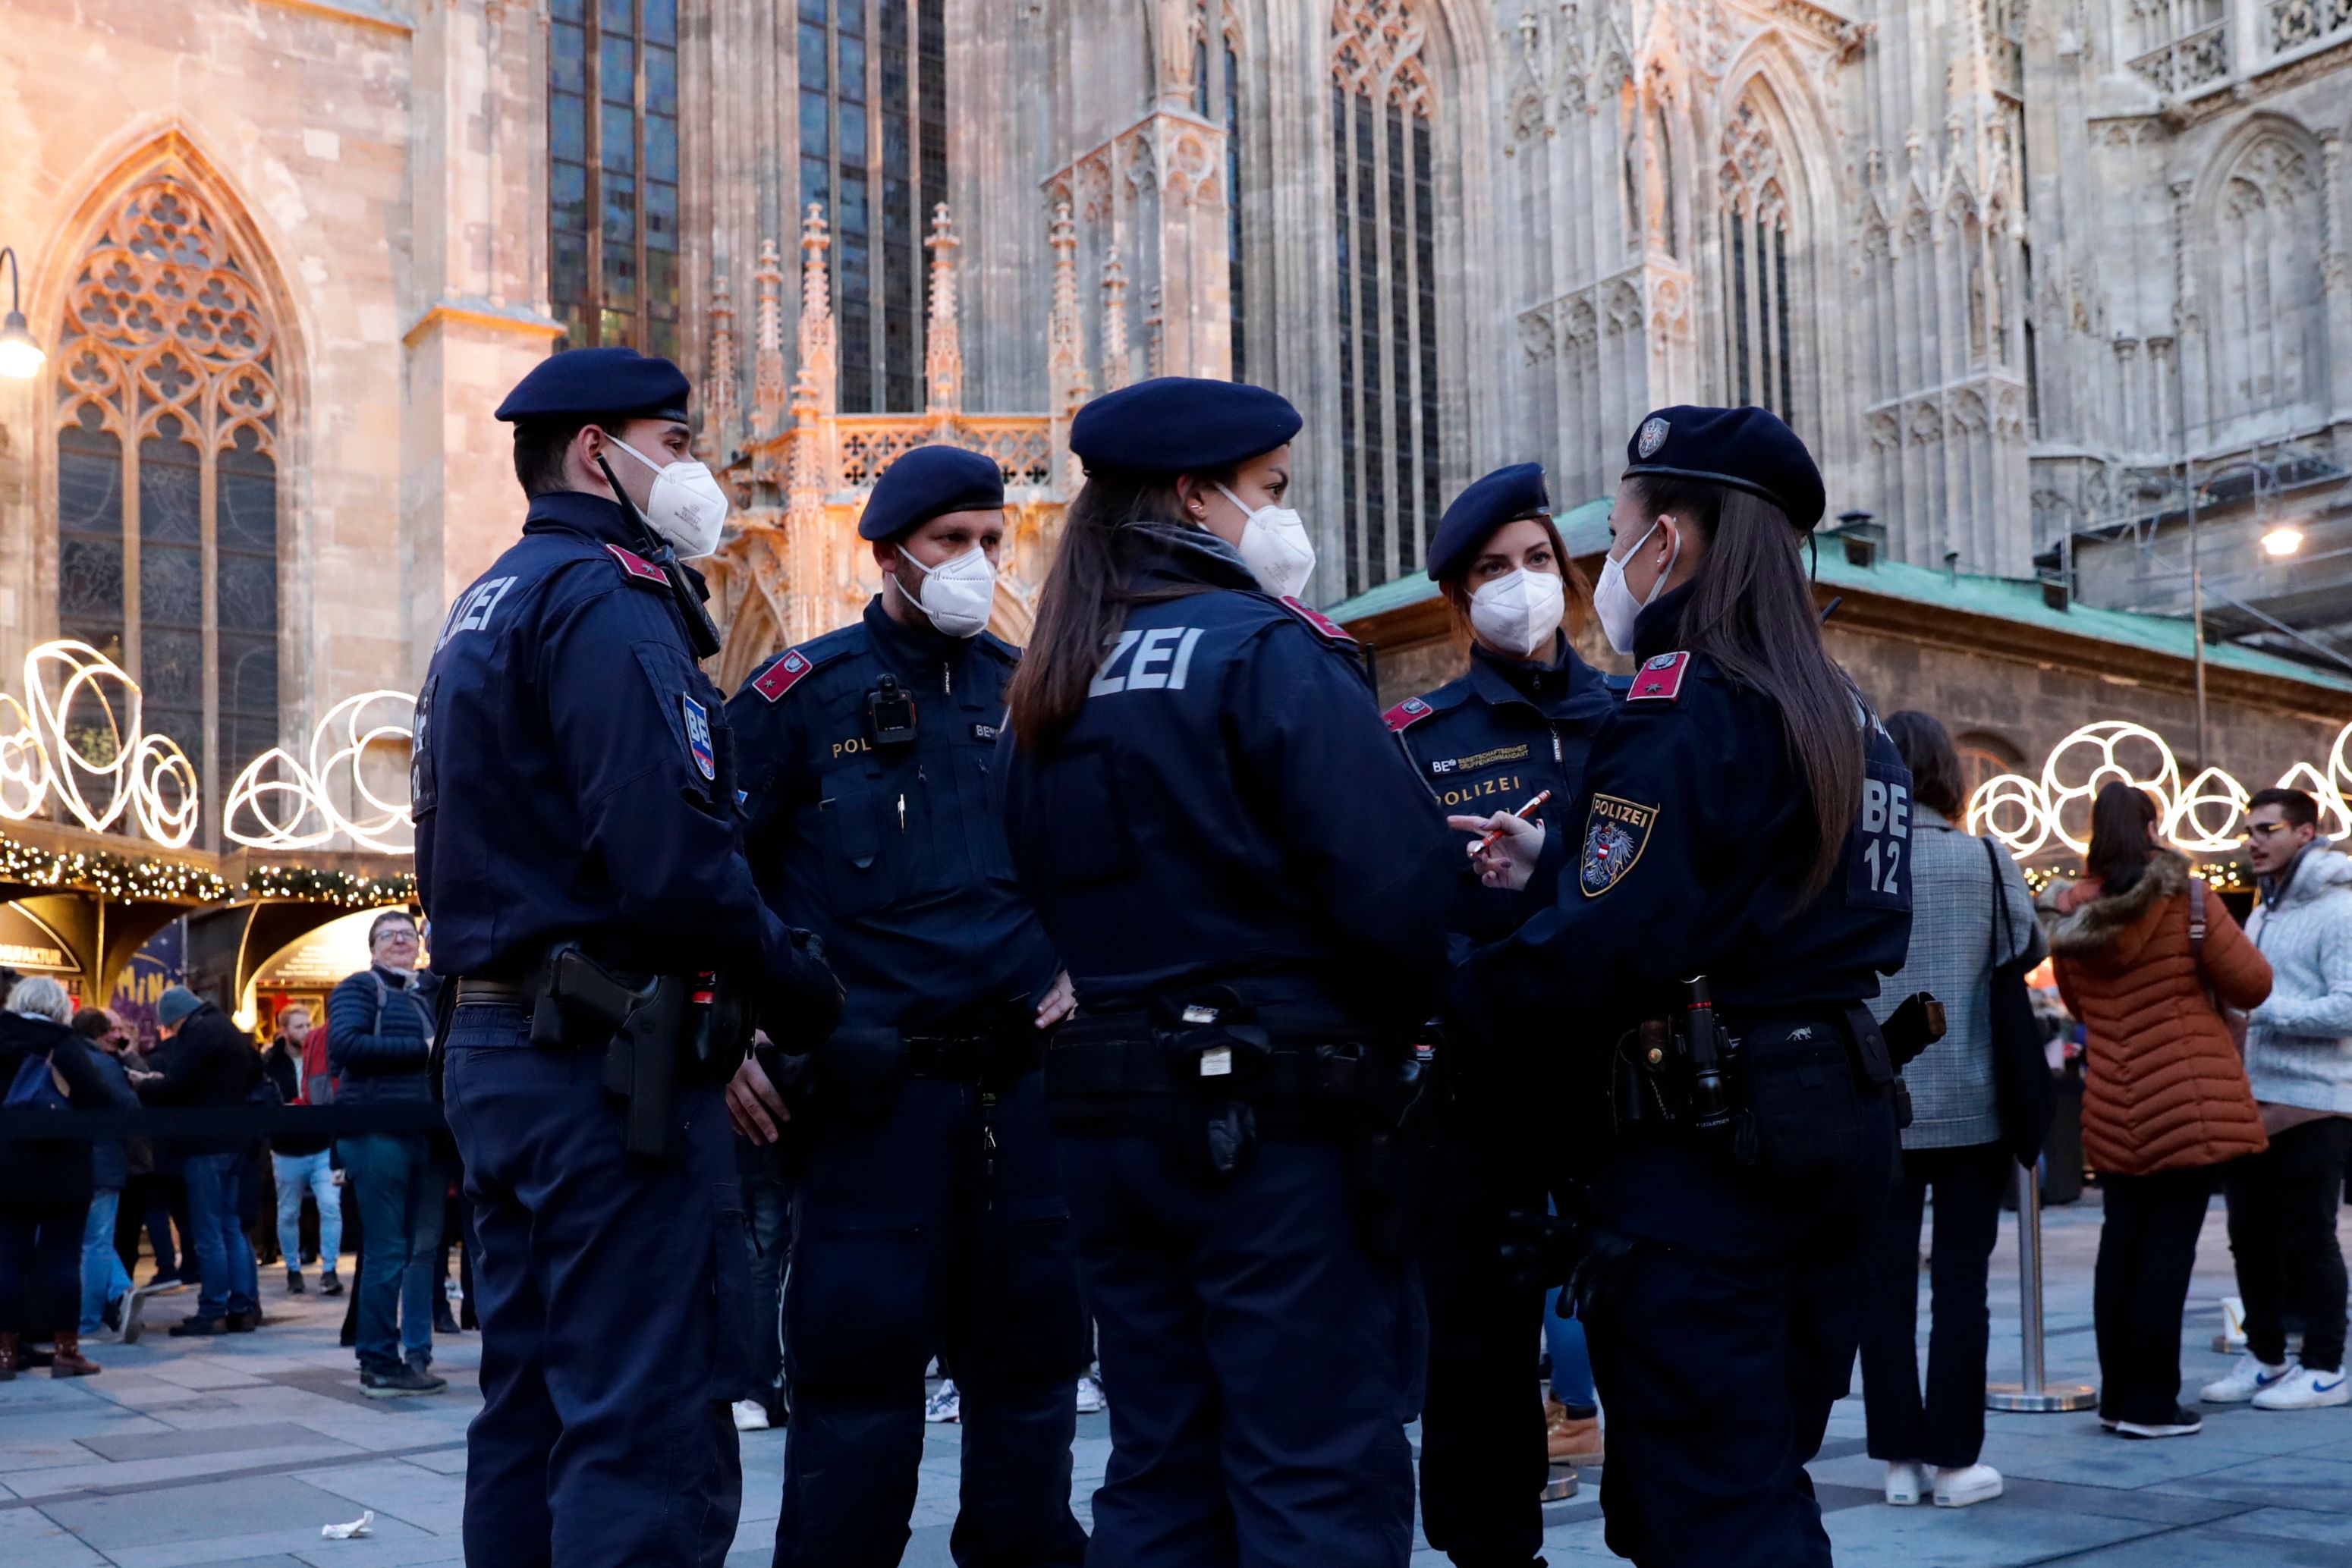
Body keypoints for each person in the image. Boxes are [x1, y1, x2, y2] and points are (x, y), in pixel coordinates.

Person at [998, 376, 1458, 1568]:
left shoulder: (1050, 678)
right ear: (1197, 496)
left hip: (1108, 1104)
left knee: (1159, 1461)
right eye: (1270, 491)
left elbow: (1036, 878)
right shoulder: (1268, 650)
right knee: (1312, 1463)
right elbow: (1397, 892)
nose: (1282, 519)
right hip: (1275, 1116)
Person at [1451, 406, 1913, 1567]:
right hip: (1835, 1105)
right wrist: (1558, 864)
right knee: (1754, 1465)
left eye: (1615, 535)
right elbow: (1760, 891)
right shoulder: (1847, 712)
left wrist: (1458, 996)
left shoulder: (1682, 701)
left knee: (1710, 1496)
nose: (1606, 566)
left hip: (1711, 1137)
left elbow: (1604, 947)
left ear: (1676, 540)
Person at [415, 345, 840, 1568]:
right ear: (599, 450)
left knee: (532, 1400)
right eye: (675, 442)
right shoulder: (609, 595)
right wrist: (797, 980)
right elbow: (668, 852)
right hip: (605, 1061)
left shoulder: (491, 595)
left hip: (505, 1042)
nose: (693, 468)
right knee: (643, 1414)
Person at [723, 442, 1090, 1567]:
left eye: (991, 540)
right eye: (951, 543)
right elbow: (709, 873)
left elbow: (1096, 861)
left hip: (1019, 1099)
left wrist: (1091, 964)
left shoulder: (1036, 692)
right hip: (869, 1100)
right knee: (854, 1389)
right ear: (887, 553)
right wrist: (726, 1024)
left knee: (1031, 1379)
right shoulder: (798, 696)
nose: (978, 561)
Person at [1383, 462, 1617, 1567]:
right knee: (1477, 1382)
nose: (1519, 585)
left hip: (1627, 1086)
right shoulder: (1414, 736)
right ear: (1454, 600)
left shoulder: (1631, 719)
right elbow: (1387, 907)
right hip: (1479, 1097)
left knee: (1655, 1357)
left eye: (1537, 562)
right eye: (1492, 569)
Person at [2039, 781, 2271, 1439]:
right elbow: (2254, 982)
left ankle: (2118, 1398)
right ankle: (2152, 1404)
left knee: (2121, 1245)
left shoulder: (2072, 920)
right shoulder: (2187, 896)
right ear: (2150, 828)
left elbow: (2082, 1012)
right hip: (2190, 1100)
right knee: (2169, 1249)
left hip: (2115, 1100)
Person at [1856, 712, 2043, 1509]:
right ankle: (1955, 1462)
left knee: (1882, 1284)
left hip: (1876, 1104)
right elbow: (2026, 948)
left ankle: (1896, 1459)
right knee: (1962, 1286)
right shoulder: (1985, 858)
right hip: (1973, 1103)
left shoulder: (1851, 863)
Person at [2207, 787, 2352, 1411]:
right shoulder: (2264, 909)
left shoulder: (2340, 908)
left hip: (2316, 1099)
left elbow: (2348, 1006)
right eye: (2250, 831)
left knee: (2308, 1236)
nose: (2255, 841)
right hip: (2256, 1095)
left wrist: (2264, 1011)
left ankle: (2325, 1362)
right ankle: (2265, 1354)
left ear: (2306, 832)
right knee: (2249, 1234)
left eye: (2269, 829)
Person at [330, 912, 446, 1395]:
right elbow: (345, 1044)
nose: (400, 941)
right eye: (388, 935)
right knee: (386, 1250)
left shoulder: (427, 994)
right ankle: (377, 1359)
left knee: (420, 1250)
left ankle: (412, 1355)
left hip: (427, 1135)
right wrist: (423, 1047)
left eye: (408, 934)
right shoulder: (361, 988)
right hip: (378, 1132)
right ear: (373, 948)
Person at [0, 978, 118, 1378]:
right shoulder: (63, 1044)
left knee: (7, 1259)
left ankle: (4, 1353)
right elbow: (100, 1099)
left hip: (7, 1166)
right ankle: (67, 1352)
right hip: (62, 1167)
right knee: (63, 1259)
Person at [130, 986, 265, 1337]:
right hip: (236, 1139)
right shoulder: (225, 1028)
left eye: (170, 1027)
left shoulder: (200, 1032)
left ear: (176, 1018)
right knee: (232, 1227)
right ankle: (243, 1306)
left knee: (209, 1231)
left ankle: (213, 1309)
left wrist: (144, 1084)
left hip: (205, 1144)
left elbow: (179, 1084)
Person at [70, 1008, 143, 1343]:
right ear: (100, 1035)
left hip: (74, 1161)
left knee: (88, 1239)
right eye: (111, 1031)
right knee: (96, 1241)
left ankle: (120, 1290)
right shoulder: (103, 1064)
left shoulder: (66, 1058)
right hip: (105, 1162)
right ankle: (91, 1318)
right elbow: (130, 1110)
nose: (117, 1036)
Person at [260, 1005, 344, 1299]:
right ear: (284, 1030)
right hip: (287, 1147)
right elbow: (264, 1097)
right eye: (298, 1026)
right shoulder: (270, 1061)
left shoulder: (322, 1051)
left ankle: (329, 1269)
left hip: (321, 1143)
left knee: (331, 1207)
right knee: (288, 1211)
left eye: (308, 1024)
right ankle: (293, 1269)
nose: (306, 1031)